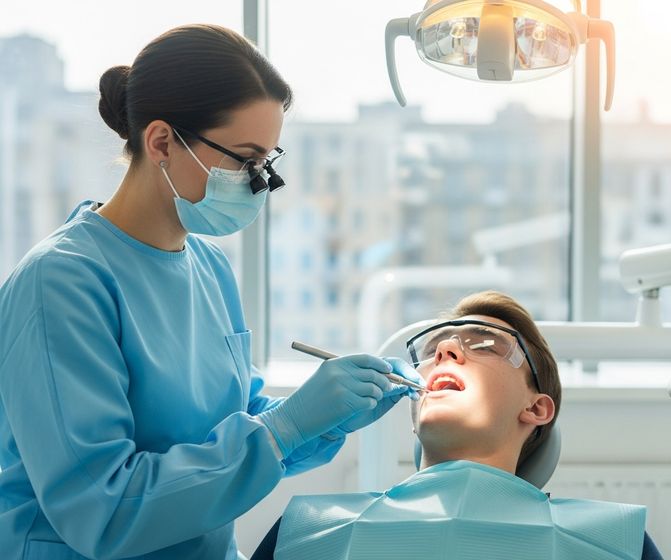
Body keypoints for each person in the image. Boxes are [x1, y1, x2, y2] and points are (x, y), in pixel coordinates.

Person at [0, 24, 423, 560]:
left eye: (266, 162)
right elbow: (100, 510)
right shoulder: (60, 283)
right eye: (244, 159)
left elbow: (231, 424)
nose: (258, 181)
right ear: (161, 142)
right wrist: (283, 429)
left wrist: (322, 416)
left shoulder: (208, 265)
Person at [252, 290, 663, 559]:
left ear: (537, 409)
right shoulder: (305, 530)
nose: (446, 349)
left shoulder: (614, 541)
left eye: (486, 344)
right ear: (413, 412)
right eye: (433, 350)